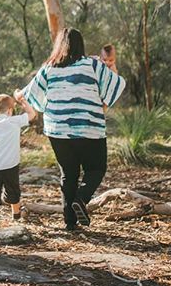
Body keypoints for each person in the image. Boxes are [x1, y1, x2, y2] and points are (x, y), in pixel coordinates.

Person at [15, 28, 126, 231]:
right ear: (80, 44)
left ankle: (70, 222)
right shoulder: (93, 65)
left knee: (68, 173)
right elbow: (115, 85)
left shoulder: (49, 68)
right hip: (88, 127)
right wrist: (111, 67)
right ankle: (81, 200)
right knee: (96, 169)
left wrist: (17, 94)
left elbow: (28, 94)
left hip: (58, 130)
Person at [0, 93, 36, 232]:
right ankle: (16, 214)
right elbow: (32, 114)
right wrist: (23, 101)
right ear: (10, 111)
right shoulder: (14, 121)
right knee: (13, 189)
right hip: (10, 165)